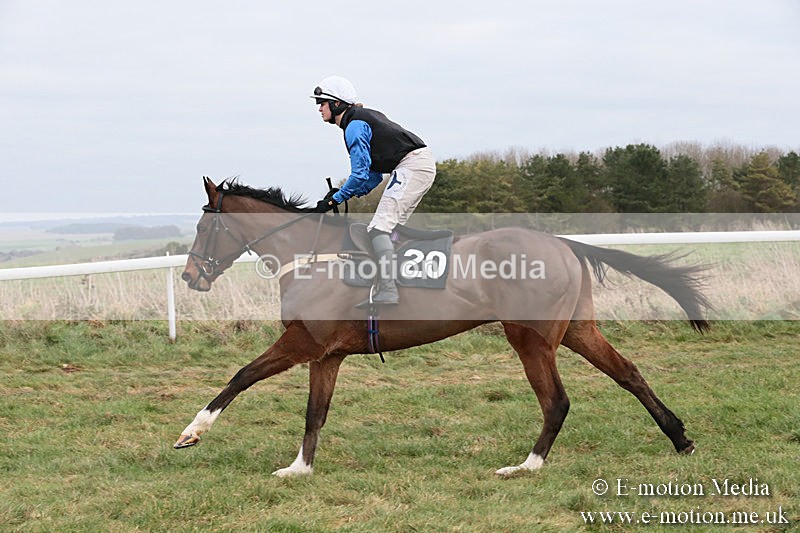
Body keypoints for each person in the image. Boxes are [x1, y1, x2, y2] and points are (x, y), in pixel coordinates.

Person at [311, 76, 436, 307]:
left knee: (379, 228)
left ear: (337, 104)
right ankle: (400, 281)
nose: (319, 108)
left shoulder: (354, 126)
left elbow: (359, 174)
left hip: (411, 165)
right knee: (388, 231)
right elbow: (373, 175)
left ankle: (388, 290)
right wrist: (350, 193)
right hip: (415, 165)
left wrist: (334, 200)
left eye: (322, 102)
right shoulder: (358, 120)